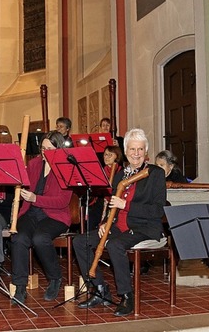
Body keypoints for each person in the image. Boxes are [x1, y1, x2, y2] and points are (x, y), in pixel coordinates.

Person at [73, 128, 166, 317]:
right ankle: (99, 289)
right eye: (132, 149)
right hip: (118, 226)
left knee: (115, 245)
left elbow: (158, 210)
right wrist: (104, 223)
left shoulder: (155, 173)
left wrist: (127, 205)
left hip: (144, 227)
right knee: (79, 241)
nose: (136, 154)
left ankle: (126, 296)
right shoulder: (120, 174)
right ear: (125, 151)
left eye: (140, 149)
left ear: (145, 151)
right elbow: (112, 207)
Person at [10, 131, 73, 305]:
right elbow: (25, 189)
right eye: (43, 148)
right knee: (19, 237)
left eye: (50, 149)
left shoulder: (66, 166)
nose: (45, 152)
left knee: (40, 238)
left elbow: (62, 201)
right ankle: (20, 286)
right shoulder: (34, 163)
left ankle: (55, 278)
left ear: (59, 149)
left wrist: (35, 198)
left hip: (55, 216)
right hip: (31, 212)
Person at [87, 145, 124, 229]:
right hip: (101, 200)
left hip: (114, 202)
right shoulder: (101, 171)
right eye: (105, 154)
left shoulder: (122, 172)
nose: (106, 157)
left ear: (117, 156)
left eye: (110, 155)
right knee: (91, 216)